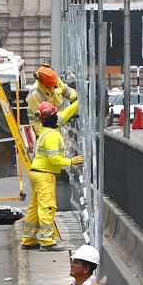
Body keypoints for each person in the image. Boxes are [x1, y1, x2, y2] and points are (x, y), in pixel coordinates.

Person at [21, 101, 82, 251]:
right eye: (56, 115)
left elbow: (65, 114)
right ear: (52, 117)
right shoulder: (52, 136)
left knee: (35, 208)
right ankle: (47, 241)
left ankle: (28, 240)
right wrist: (71, 161)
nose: (59, 117)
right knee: (47, 207)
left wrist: (80, 101)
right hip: (44, 175)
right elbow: (54, 159)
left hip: (37, 173)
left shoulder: (45, 130)